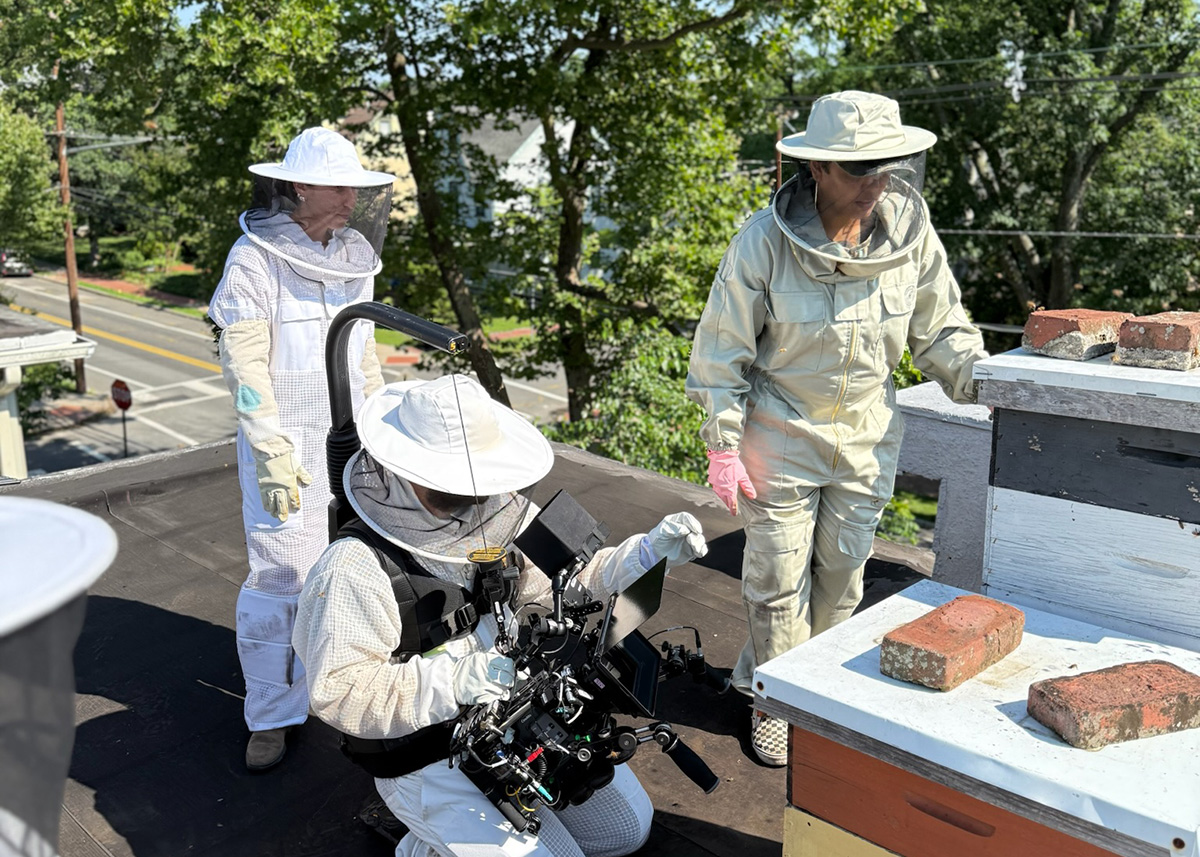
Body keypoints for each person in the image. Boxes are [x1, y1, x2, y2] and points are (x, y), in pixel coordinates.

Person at [685, 90, 988, 767]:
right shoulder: (761, 242)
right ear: (817, 168)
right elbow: (721, 349)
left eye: (886, 167)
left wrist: (996, 385)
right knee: (777, 578)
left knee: (842, 578)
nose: (875, 184)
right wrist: (722, 442)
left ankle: (776, 674)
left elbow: (940, 330)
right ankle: (778, 703)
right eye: (858, 171)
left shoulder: (911, 235)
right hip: (778, 431)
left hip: (866, 434)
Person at [292, 374, 709, 857]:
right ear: (400, 471)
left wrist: (644, 555)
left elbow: (572, 578)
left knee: (625, 830)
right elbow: (338, 690)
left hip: (511, 720)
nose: (472, 503)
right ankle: (423, 847)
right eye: (449, 488)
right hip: (425, 755)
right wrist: (451, 682)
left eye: (479, 485)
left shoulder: (498, 510)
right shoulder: (352, 568)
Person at [209, 127, 395, 771]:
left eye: (357, 187)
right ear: (298, 186)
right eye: (339, 185)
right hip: (284, 445)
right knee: (281, 578)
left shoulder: (351, 256)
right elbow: (246, 363)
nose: (350, 198)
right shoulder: (254, 260)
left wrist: (380, 426)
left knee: (352, 566)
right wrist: (267, 445)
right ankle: (271, 715)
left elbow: (364, 353)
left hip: (348, 439)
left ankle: (337, 682)